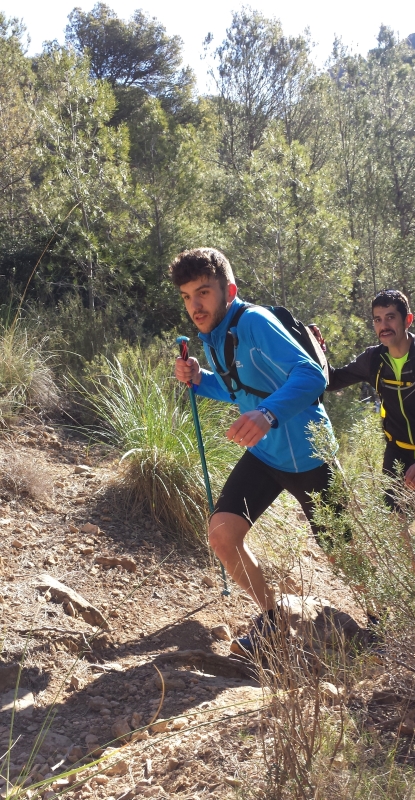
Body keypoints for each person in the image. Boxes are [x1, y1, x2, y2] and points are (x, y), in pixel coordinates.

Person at [170, 247, 334, 656]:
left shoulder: (255, 322)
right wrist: (199, 378)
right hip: (266, 455)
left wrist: (267, 414)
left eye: (203, 293)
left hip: (309, 454)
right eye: (187, 297)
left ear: (229, 291)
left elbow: (311, 375)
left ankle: (384, 625)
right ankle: (273, 624)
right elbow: (238, 389)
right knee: (222, 536)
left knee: (341, 552)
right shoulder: (215, 335)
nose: (195, 306)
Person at [327, 289, 415, 509]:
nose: (383, 326)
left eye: (390, 317)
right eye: (378, 319)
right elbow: (332, 381)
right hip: (398, 454)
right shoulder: (373, 359)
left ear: (408, 320)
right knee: (394, 521)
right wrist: (315, 346)